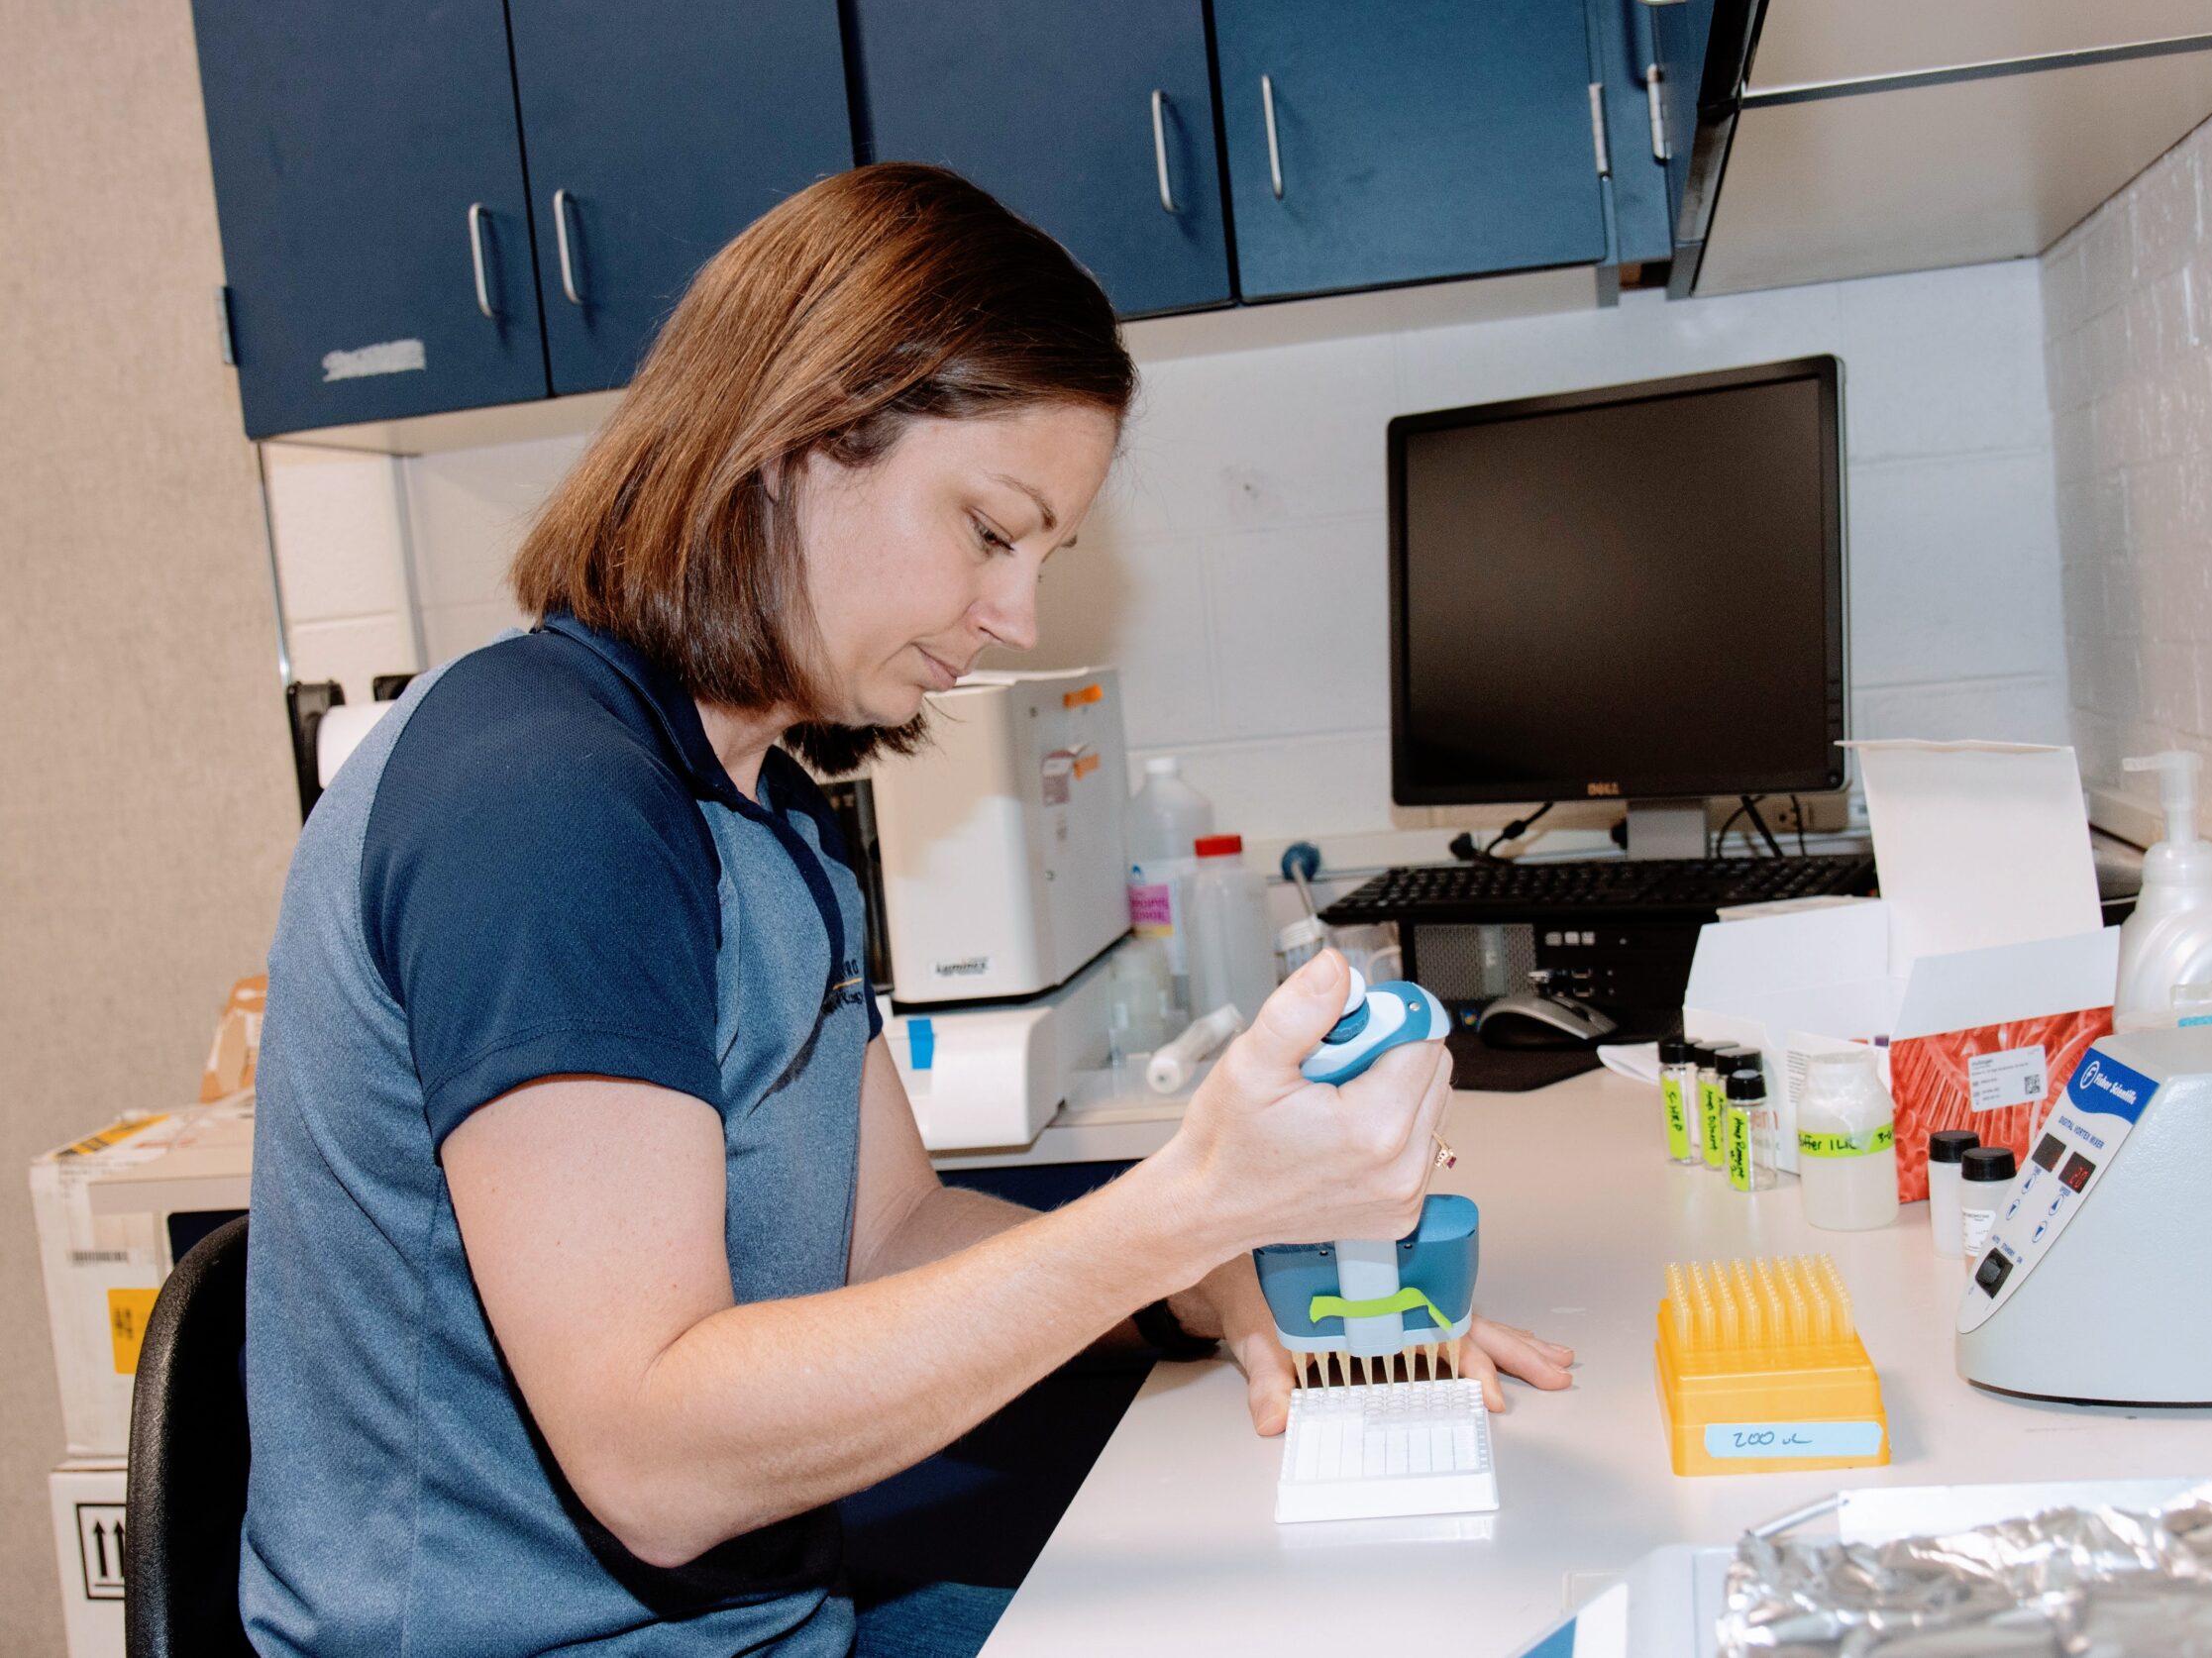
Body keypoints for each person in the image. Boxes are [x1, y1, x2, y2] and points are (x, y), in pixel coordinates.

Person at [241, 163, 1573, 1657]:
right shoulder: (542, 807)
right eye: (991, 530)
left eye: (1044, 557)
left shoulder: (767, 815)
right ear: (797, 443)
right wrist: (1188, 1203)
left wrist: (1205, 1281)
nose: (1016, 615)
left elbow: (891, 1234)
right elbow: (656, 1462)